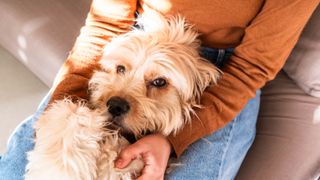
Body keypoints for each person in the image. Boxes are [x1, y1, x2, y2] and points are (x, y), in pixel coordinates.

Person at [0, 0, 319, 179]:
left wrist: (172, 140)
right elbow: (105, 24)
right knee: (22, 167)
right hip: (134, 45)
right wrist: (66, 106)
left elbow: (251, 67)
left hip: (222, 77)